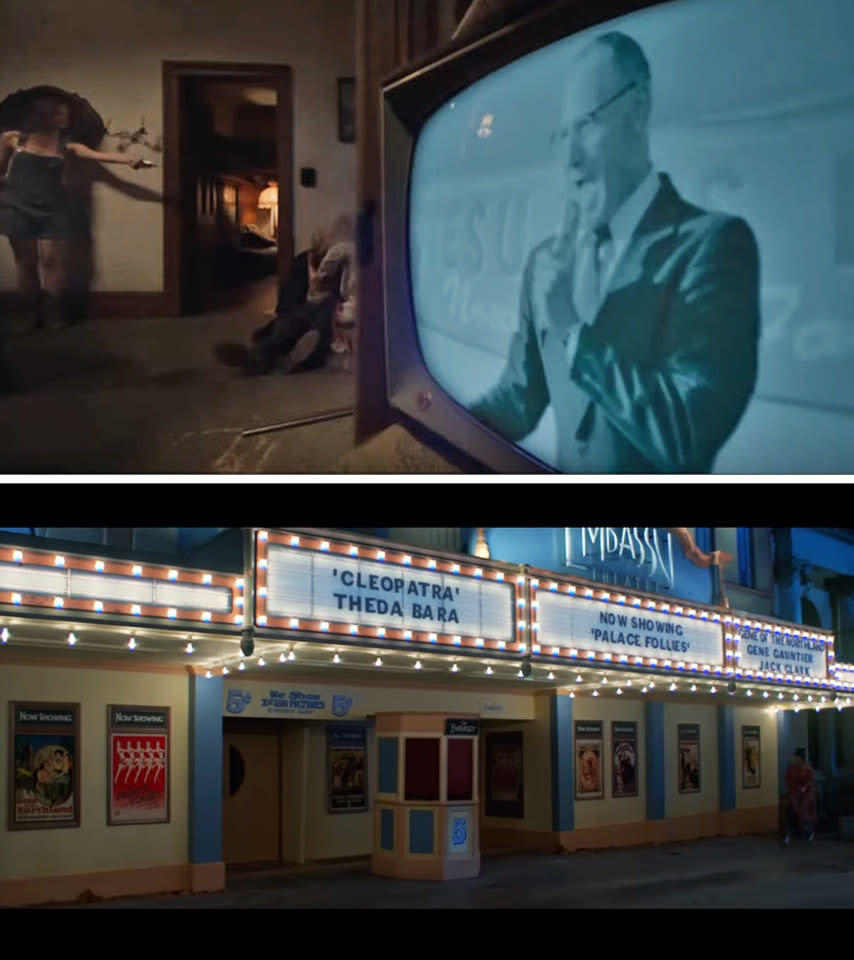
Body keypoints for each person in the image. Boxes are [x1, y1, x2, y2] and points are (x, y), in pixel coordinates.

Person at [468, 31, 761, 474]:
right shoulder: (544, 265)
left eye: (586, 124)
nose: (570, 158)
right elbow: (520, 396)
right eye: (563, 133)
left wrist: (571, 329)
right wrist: (423, 443)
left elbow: (687, 433)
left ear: (637, 112)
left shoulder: (715, 246)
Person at [0, 94, 151, 331]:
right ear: (44, 114)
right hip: (18, 209)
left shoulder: (67, 145)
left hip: (55, 210)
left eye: (65, 113)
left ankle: (51, 313)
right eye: (60, 112)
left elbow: (100, 157)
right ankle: (30, 313)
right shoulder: (13, 139)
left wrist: (130, 160)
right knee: (26, 263)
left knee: (52, 262)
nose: (65, 117)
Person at [783, 747, 816, 845]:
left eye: (796, 757)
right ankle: (790, 833)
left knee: (801, 815)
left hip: (803, 797)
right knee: (791, 813)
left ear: (800, 758)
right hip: (794, 795)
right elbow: (788, 780)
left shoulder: (806, 768)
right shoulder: (792, 768)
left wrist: (805, 788)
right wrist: (791, 790)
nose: (794, 759)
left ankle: (806, 833)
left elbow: (810, 781)